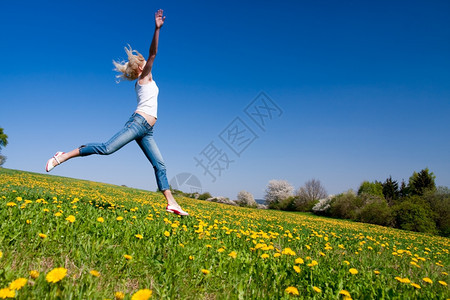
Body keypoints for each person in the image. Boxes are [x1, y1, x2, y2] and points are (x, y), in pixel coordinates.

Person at [45, 9, 188, 216]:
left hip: (147, 131)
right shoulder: (144, 78)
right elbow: (153, 53)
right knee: (106, 148)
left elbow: (151, 57)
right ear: (141, 68)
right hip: (137, 123)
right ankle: (63, 156)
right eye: (144, 64)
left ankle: (171, 202)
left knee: (160, 164)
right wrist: (157, 30)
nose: (147, 64)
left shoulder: (148, 79)